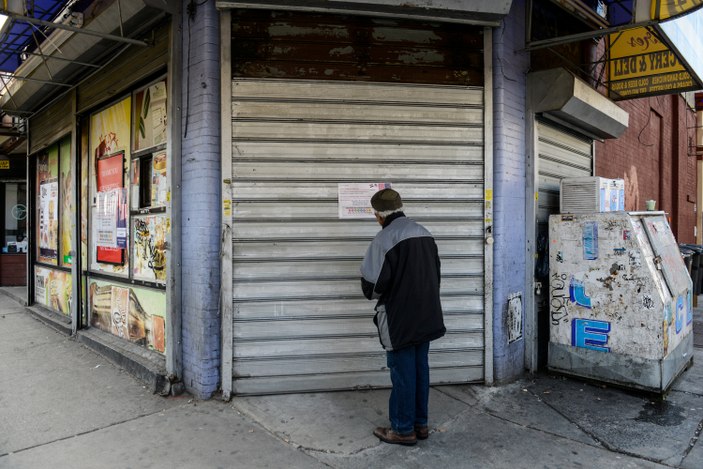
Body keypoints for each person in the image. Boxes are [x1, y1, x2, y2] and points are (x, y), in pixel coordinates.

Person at [360, 188, 445, 446]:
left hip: (400, 319)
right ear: (400, 208)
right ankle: (420, 424)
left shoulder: (384, 239)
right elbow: (436, 275)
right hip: (427, 314)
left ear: (378, 215)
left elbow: (371, 288)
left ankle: (402, 429)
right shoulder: (425, 233)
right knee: (420, 369)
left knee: (402, 372)